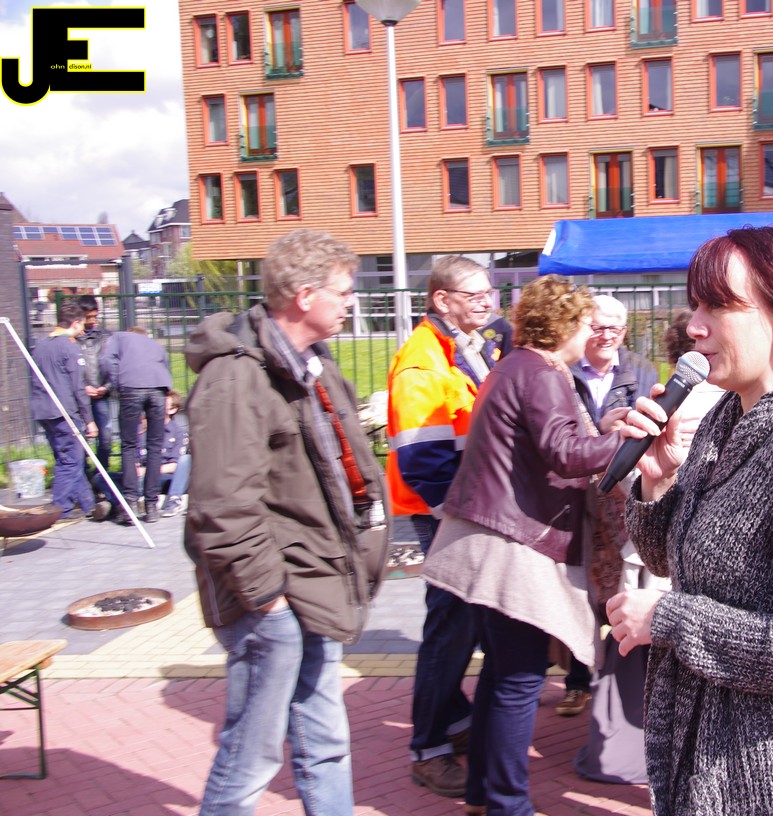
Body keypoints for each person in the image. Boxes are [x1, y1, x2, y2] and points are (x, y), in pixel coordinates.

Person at [606, 226, 773, 816]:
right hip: (713, 760)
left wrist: (670, 620)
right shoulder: (726, 419)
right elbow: (672, 559)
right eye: (695, 305)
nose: (694, 326)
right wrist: (657, 480)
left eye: (718, 306)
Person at [183, 228, 390, 816]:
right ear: (304, 296)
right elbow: (221, 506)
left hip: (315, 583)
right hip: (273, 600)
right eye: (343, 292)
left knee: (325, 744)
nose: (351, 303)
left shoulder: (312, 365)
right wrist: (267, 601)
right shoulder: (237, 378)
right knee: (251, 755)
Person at [421, 275, 624, 816]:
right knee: (519, 679)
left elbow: (549, 444)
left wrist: (602, 430)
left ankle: (483, 795)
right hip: (512, 544)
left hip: (488, 537)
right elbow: (564, 452)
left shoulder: (515, 366)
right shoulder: (541, 372)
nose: (592, 334)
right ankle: (508, 804)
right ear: (566, 324)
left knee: (501, 673)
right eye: (586, 323)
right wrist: (624, 440)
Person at [386, 255, 498, 798]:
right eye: (474, 295)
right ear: (442, 300)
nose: (487, 302)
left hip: (461, 508)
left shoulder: (465, 347)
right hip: (447, 513)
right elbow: (422, 456)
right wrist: (456, 515)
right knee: (450, 627)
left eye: (488, 292)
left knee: (462, 624)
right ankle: (428, 748)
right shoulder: (423, 362)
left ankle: (452, 719)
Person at [567, 295, 660, 781]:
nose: (607, 335)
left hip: (624, 501)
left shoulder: (641, 370)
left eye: (616, 328)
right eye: (599, 327)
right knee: (585, 590)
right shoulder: (567, 371)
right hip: (580, 503)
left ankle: (613, 682)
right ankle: (577, 678)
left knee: (620, 588)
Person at [29, 300, 106, 520]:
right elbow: (77, 387)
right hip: (64, 412)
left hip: (43, 410)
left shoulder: (40, 345)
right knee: (70, 461)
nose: (82, 330)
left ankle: (87, 503)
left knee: (70, 458)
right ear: (75, 323)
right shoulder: (69, 348)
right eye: (81, 325)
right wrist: (89, 419)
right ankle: (60, 508)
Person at [101, 326, 172, 524]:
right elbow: (165, 367)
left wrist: (117, 383)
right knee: (155, 447)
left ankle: (130, 504)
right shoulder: (155, 344)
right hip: (158, 388)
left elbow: (107, 360)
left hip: (131, 387)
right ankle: (152, 507)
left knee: (129, 446)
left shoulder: (119, 337)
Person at [76, 295, 113, 473]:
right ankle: (82, 473)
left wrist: (106, 387)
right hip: (80, 395)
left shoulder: (106, 337)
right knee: (80, 437)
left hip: (101, 394)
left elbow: (115, 364)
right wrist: (83, 387)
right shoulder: (72, 339)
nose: (92, 321)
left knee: (106, 436)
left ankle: (101, 473)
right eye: (88, 317)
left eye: (95, 316)